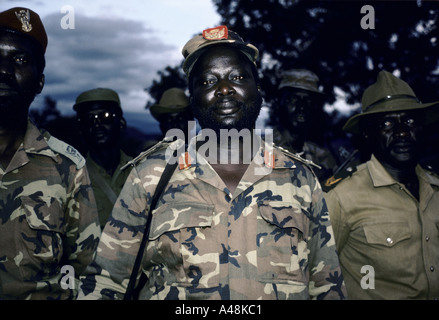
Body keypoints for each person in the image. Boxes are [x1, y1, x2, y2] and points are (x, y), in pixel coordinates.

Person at [79, 25, 346, 300]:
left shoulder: (299, 177)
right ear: (192, 97)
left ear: (259, 89)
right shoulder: (151, 176)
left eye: (238, 76)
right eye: (207, 81)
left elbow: (327, 285)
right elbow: (106, 282)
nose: (224, 89)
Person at [0, 7, 100, 299]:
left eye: (20, 60)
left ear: (39, 82)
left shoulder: (67, 166)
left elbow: (87, 270)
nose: (4, 70)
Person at [324, 70, 439, 299]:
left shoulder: (435, 187)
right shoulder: (341, 195)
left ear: (421, 128)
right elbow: (310, 273)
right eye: (387, 123)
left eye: (409, 121)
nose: (402, 132)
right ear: (368, 133)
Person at [73, 88, 133, 229]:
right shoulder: (72, 180)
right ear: (81, 129)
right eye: (88, 119)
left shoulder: (142, 171)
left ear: (121, 123)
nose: (97, 124)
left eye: (105, 116)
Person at [272, 69, 339, 181]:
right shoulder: (258, 152)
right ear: (280, 103)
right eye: (294, 99)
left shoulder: (322, 158)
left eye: (308, 101)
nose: (301, 107)